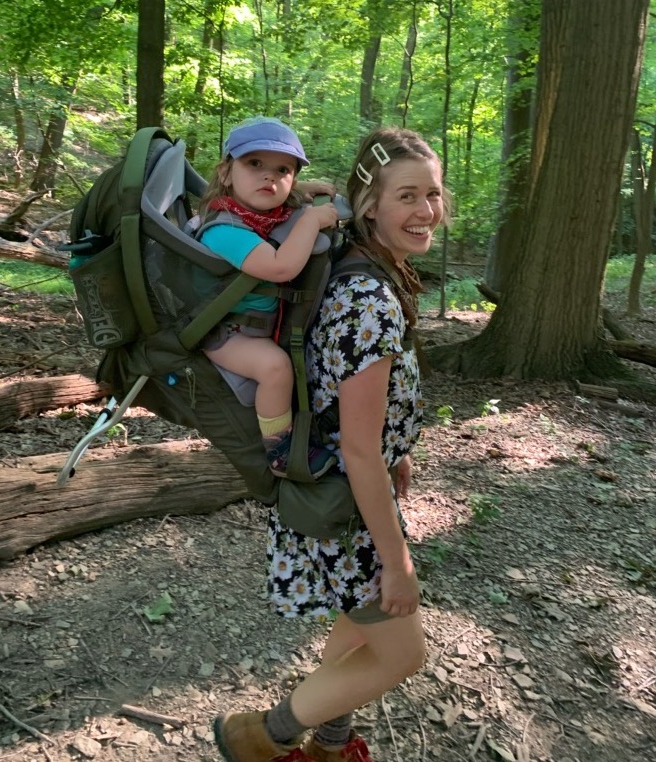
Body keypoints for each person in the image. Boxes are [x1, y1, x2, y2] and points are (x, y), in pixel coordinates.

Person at [213, 126, 450, 762]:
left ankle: (331, 743)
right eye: (407, 196)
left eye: (433, 193)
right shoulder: (367, 295)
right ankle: (262, 736)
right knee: (404, 653)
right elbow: (357, 449)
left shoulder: (362, 265)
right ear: (370, 204)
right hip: (345, 502)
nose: (426, 211)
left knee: (354, 628)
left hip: (347, 491)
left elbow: (358, 411)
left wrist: (396, 443)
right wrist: (397, 560)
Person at [197, 116, 340, 479]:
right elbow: (280, 268)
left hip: (254, 324)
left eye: (283, 169)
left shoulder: (257, 213)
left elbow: (270, 191)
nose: (269, 177)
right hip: (223, 332)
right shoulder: (225, 230)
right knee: (275, 368)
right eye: (254, 164)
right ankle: (279, 449)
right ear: (226, 172)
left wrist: (297, 189)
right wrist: (309, 221)